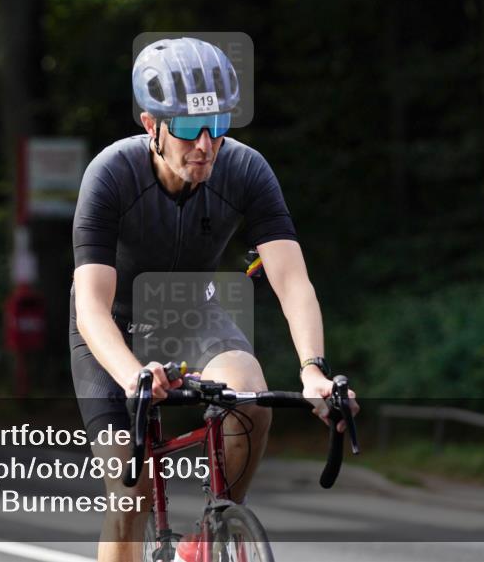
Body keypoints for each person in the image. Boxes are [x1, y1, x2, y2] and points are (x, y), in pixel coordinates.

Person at [70, 37, 359, 562]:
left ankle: (213, 535)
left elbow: (291, 279)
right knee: (129, 496)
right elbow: (90, 304)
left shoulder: (246, 170)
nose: (205, 144)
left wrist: (313, 368)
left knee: (252, 398)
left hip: (190, 310)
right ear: (149, 124)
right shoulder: (109, 174)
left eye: (219, 125)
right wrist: (132, 372)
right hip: (112, 328)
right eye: (185, 127)